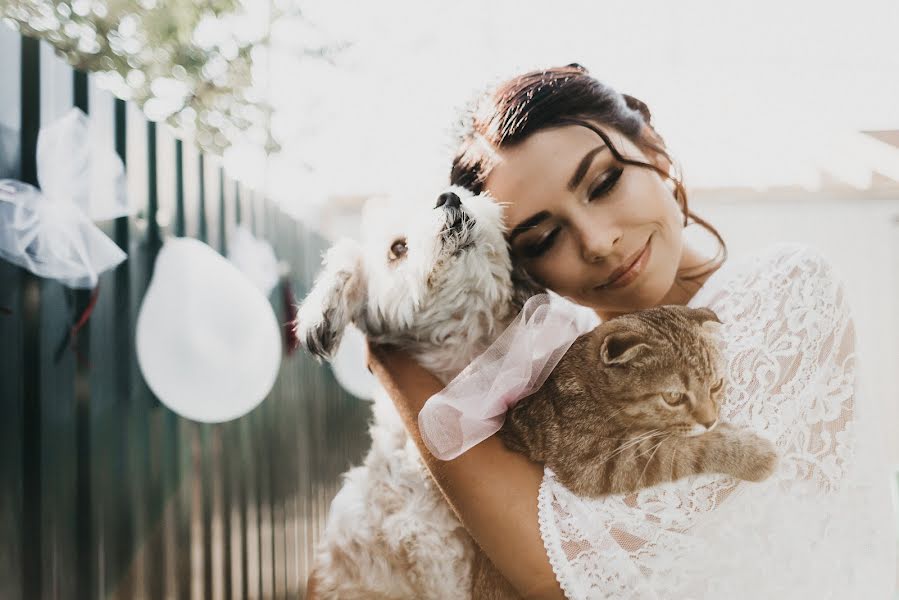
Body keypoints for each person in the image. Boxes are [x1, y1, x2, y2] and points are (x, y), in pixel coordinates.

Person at [318, 64, 895, 599]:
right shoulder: (548, 375)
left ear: (654, 150)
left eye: (603, 183)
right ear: (523, 271)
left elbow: (564, 565)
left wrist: (390, 358)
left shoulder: (789, 287)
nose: (596, 241)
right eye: (543, 239)